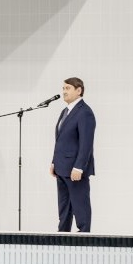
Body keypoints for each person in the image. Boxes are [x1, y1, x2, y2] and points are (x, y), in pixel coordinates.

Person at [50, 77, 95, 233]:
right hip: (61, 169)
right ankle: (62, 239)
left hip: (75, 171)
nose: (64, 91)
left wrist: (79, 167)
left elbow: (86, 143)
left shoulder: (85, 112)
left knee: (81, 209)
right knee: (64, 210)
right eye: (63, 88)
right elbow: (61, 140)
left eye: (67, 88)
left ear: (79, 90)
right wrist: (54, 162)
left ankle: (84, 240)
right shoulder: (65, 111)